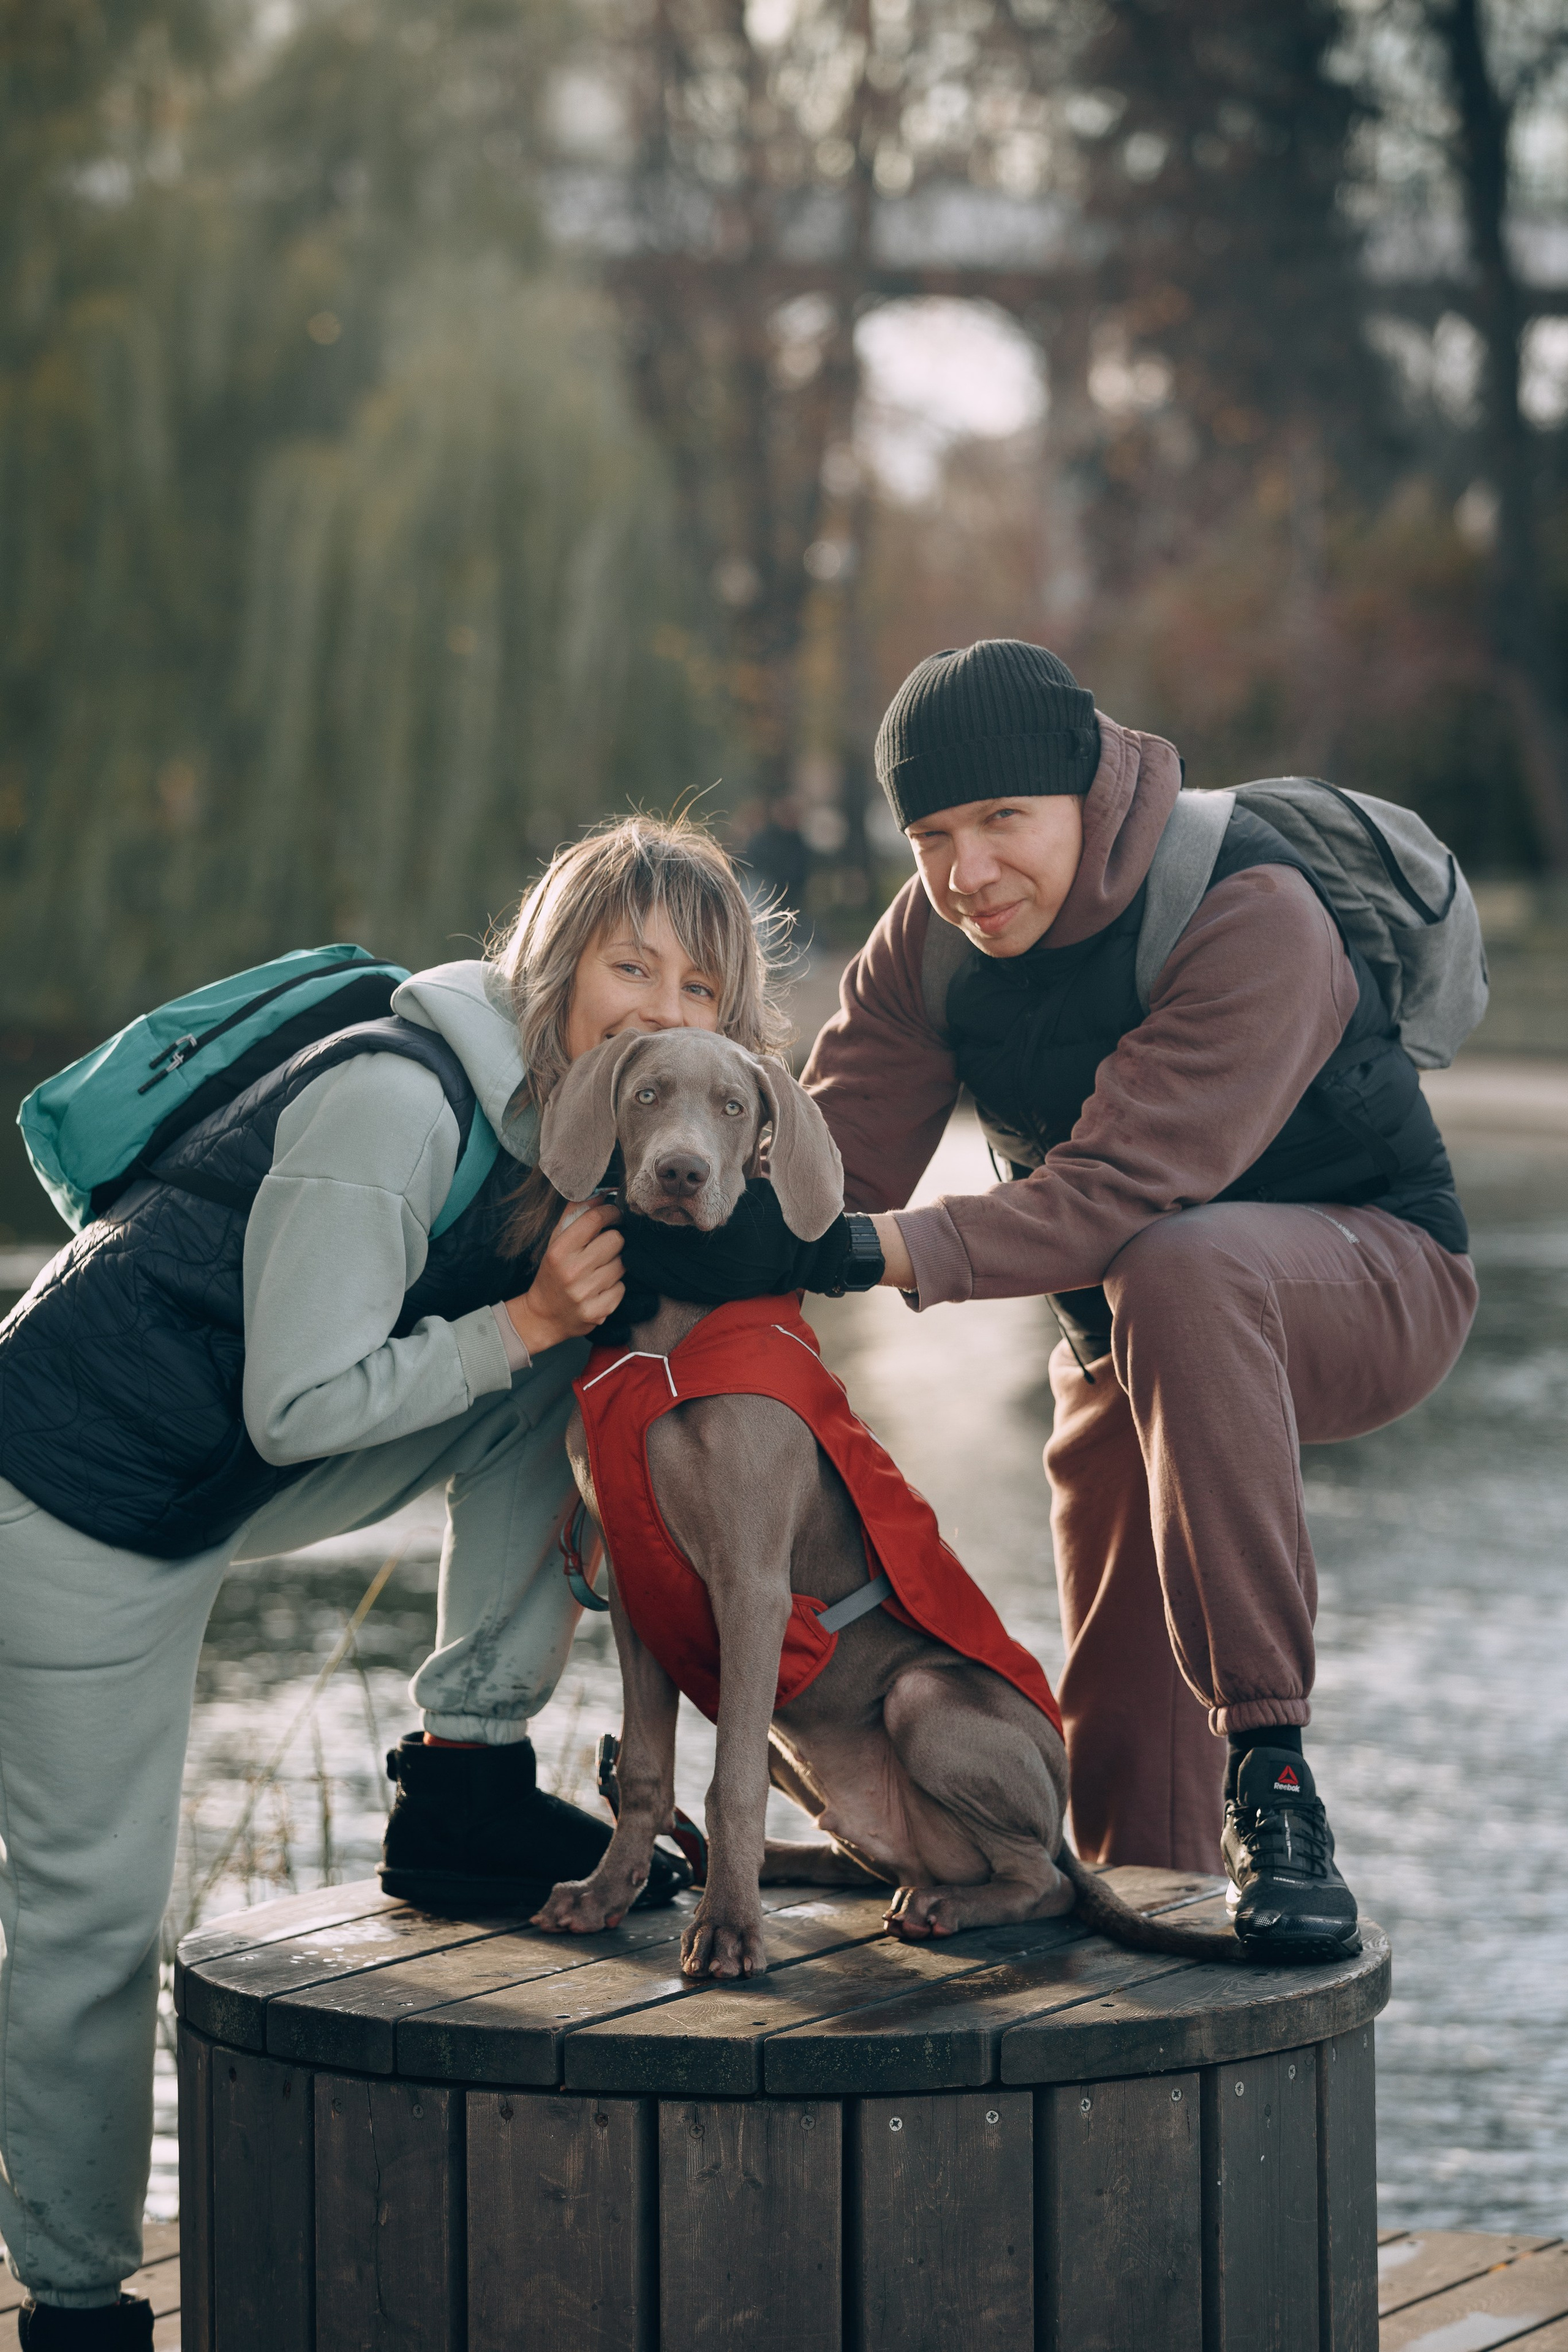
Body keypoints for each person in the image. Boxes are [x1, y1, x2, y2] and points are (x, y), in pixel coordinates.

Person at [0, 815, 784, 2346]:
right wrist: (523, 1325)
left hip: (203, 1473)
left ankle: (464, 1782)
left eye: (702, 986)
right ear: (558, 965)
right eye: (630, 965)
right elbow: (296, 1408)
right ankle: (79, 2303)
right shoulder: (394, 1102)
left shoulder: (560, 1135)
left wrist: (584, 1424)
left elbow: (490, 1373)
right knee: (90, 1916)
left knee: (540, 1371)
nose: (663, 1011)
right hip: (69, 1496)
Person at [619, 639, 1478, 1967]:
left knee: (1180, 1261)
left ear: (1088, 789)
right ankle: (1146, 1977)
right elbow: (827, 1170)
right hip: (1125, 1337)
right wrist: (663, 1213)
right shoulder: (931, 943)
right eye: (931, 835)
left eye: (1002, 821)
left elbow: (1114, 1190)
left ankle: (1277, 1782)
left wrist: (860, 1258)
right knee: (1122, 1733)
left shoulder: (1249, 910)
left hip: (1367, 1280)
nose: (966, 874)